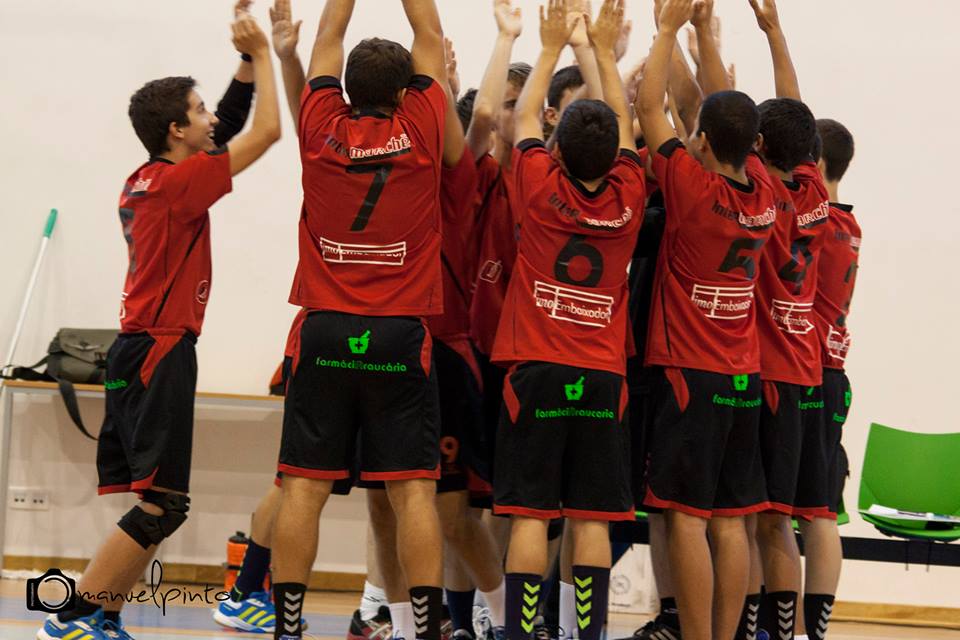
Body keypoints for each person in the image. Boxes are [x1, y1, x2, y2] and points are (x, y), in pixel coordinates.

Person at [38, 8, 281, 640]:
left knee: (160, 503)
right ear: (177, 130)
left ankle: (102, 616)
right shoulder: (179, 184)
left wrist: (244, 61)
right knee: (164, 504)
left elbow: (227, 123)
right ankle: (74, 617)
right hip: (161, 349)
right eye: (199, 112)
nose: (211, 119)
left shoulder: (146, 177)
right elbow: (268, 132)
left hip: (139, 346)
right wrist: (270, 54)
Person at [269, 1, 448, 639]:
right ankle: (423, 628)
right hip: (399, 332)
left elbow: (328, 33)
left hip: (325, 329)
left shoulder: (320, 123)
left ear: (345, 90)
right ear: (404, 94)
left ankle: (287, 629)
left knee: (303, 488)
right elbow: (430, 31)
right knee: (412, 492)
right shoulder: (423, 125)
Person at [490, 4, 646, 640]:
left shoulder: (536, 181)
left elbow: (523, 117)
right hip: (603, 375)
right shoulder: (631, 191)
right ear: (614, 154)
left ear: (557, 147)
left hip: (537, 367)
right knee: (591, 518)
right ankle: (588, 633)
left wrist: (550, 44)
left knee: (531, 516)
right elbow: (627, 127)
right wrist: (601, 52)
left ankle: (521, 633)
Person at [636, 1, 777, 639]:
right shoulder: (765, 191)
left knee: (687, 518)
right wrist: (699, 32)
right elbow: (721, 107)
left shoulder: (690, 188)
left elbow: (649, 109)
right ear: (754, 145)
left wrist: (668, 28)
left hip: (689, 375)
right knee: (730, 519)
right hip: (743, 376)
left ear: (701, 141)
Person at [741, 1, 832, 637]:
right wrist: (776, 35)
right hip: (804, 371)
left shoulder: (765, 195)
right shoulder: (816, 191)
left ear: (759, 147)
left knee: (764, 520)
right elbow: (796, 114)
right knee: (783, 520)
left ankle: (767, 632)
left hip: (770, 373)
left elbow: (761, 125)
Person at [799, 117, 859, 640]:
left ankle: (788, 627)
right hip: (833, 372)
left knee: (793, 512)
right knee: (819, 510)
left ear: (815, 163)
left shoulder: (818, 224)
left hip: (809, 371)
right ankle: (810, 630)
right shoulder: (850, 226)